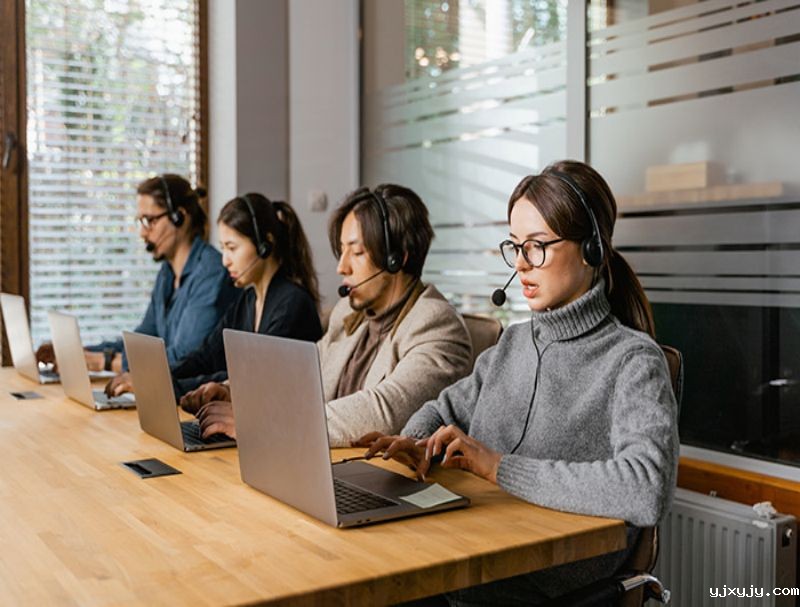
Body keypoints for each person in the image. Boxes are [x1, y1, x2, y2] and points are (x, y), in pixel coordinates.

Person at [357, 161, 679, 605]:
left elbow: (646, 488)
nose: (522, 265)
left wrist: (499, 467)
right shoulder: (513, 343)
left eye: (538, 247)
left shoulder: (633, 360)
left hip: (530, 584)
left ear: (591, 249)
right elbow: (443, 409)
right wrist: (416, 442)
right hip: (467, 558)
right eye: (515, 247)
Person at [186, 184, 473, 445]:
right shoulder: (351, 315)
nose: (342, 267)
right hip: (324, 463)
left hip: (389, 480)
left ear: (397, 257)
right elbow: (300, 374)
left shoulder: (436, 325)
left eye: (356, 252)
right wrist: (234, 390)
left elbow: (384, 412)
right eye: (342, 251)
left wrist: (263, 423)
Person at [37, 174, 237, 394]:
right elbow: (142, 340)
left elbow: (182, 359)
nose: (143, 232)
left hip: (191, 400)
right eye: (140, 221)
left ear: (180, 217)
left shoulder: (212, 274)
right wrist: (78, 352)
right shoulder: (167, 274)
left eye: (150, 220)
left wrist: (101, 362)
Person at [110, 193, 323, 397]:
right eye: (223, 249)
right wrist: (152, 378)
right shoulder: (248, 300)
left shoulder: (292, 304)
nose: (225, 260)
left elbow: (249, 378)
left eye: (232, 248)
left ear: (265, 245)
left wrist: (165, 386)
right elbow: (206, 356)